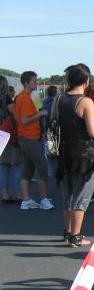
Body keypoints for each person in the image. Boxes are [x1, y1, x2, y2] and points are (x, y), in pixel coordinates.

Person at [55, 63, 94, 247]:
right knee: (81, 196)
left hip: (64, 151)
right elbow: (93, 132)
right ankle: (76, 236)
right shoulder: (86, 102)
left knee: (68, 195)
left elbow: (54, 123)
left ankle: (68, 232)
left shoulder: (59, 99)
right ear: (86, 81)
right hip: (83, 154)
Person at [12, 71, 53, 210]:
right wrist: (40, 114)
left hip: (27, 137)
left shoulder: (26, 97)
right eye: (34, 81)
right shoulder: (24, 98)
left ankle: (26, 200)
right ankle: (43, 199)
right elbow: (24, 120)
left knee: (28, 169)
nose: (37, 83)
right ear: (26, 83)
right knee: (42, 166)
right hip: (29, 138)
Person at [0, 75, 22, 204]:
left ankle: (5, 194)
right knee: (18, 162)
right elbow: (15, 113)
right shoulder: (6, 98)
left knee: (3, 165)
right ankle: (19, 192)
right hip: (7, 133)